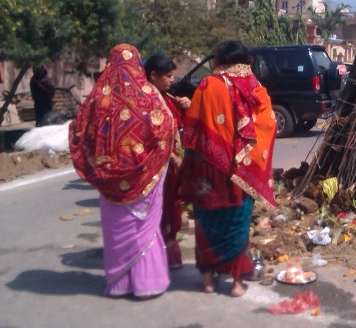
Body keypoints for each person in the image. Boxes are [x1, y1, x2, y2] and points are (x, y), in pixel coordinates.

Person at [69, 44, 176, 299]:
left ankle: (119, 283)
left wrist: (98, 163)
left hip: (108, 179)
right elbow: (165, 129)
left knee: (116, 227)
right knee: (144, 227)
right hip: (144, 175)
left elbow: (79, 131)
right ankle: (147, 282)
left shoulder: (97, 98)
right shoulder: (148, 96)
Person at [180, 40, 277, 297]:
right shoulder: (257, 89)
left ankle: (208, 281)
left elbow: (195, 127)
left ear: (217, 61)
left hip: (208, 170)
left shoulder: (207, 85)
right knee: (237, 225)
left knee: (207, 224)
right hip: (241, 173)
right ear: (246, 61)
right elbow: (268, 125)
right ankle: (236, 283)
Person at [144, 55, 191, 270]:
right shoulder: (146, 100)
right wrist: (172, 158)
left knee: (171, 205)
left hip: (170, 162)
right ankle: (155, 257)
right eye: (168, 76)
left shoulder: (165, 97)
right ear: (153, 75)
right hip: (155, 165)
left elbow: (179, 122)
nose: (172, 80)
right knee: (158, 208)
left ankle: (168, 253)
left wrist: (186, 106)